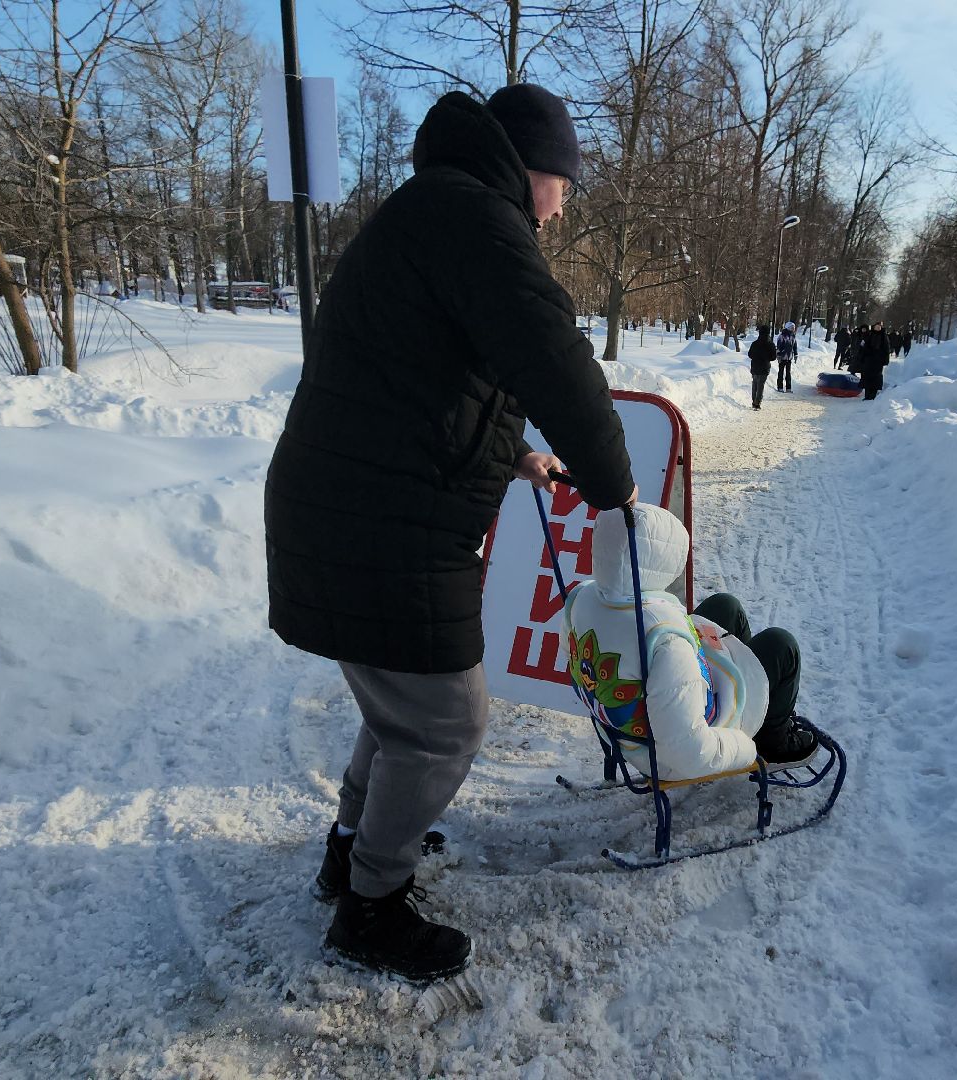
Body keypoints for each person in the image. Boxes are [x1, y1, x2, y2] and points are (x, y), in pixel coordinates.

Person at [265, 83, 638, 983]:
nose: (559, 209)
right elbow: (552, 358)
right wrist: (614, 481)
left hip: (361, 505)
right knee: (446, 720)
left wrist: (517, 458)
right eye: (564, 187)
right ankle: (372, 909)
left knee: (402, 709)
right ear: (536, 168)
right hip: (381, 520)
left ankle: (351, 852)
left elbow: (429, 375)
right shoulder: (477, 218)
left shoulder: (437, 207)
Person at [563, 504, 821, 781]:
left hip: (630, 726)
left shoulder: (581, 597)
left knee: (725, 606)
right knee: (781, 644)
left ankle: (761, 705)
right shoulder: (666, 640)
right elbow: (687, 752)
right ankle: (771, 737)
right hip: (665, 752)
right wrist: (745, 747)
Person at [859, 319, 891, 400]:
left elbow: (887, 349)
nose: (877, 328)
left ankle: (873, 395)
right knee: (867, 377)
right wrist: (862, 356)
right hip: (869, 360)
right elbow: (865, 346)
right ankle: (867, 395)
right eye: (876, 327)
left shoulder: (884, 336)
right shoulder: (870, 335)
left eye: (879, 327)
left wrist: (885, 360)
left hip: (878, 361)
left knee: (875, 378)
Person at [747, 323, 775, 410]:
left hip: (755, 366)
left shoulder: (754, 343)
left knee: (755, 383)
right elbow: (773, 357)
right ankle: (757, 402)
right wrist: (766, 358)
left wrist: (756, 357)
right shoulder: (770, 344)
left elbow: (750, 354)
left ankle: (753, 400)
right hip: (764, 366)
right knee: (761, 385)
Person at [774, 321, 798, 393]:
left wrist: (796, 354)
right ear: (788, 327)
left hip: (789, 357)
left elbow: (795, 346)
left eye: (793, 328)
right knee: (780, 372)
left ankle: (788, 388)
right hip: (782, 357)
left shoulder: (793, 336)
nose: (793, 329)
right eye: (791, 327)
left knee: (788, 373)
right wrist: (778, 355)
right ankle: (780, 387)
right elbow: (779, 346)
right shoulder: (782, 336)